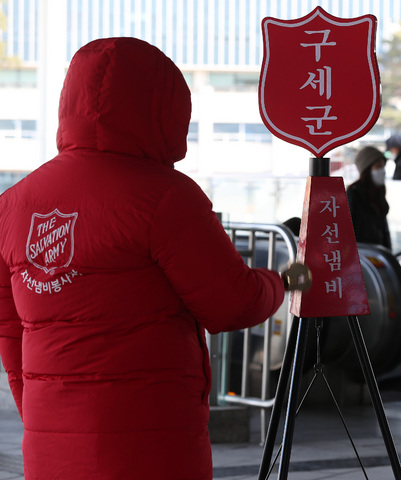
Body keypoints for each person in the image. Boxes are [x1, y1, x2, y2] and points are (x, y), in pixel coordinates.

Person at [0, 37, 310, 480]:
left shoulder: (11, 205)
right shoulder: (166, 198)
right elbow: (231, 303)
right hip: (153, 441)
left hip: (51, 444)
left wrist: (41, 407)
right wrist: (283, 281)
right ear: (164, 106)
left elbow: (11, 332)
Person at [347, 146, 392, 249]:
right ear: (367, 170)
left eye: (383, 166)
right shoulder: (354, 193)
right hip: (363, 255)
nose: (383, 171)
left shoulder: (379, 191)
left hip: (379, 253)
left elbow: (383, 228)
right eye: (378, 166)